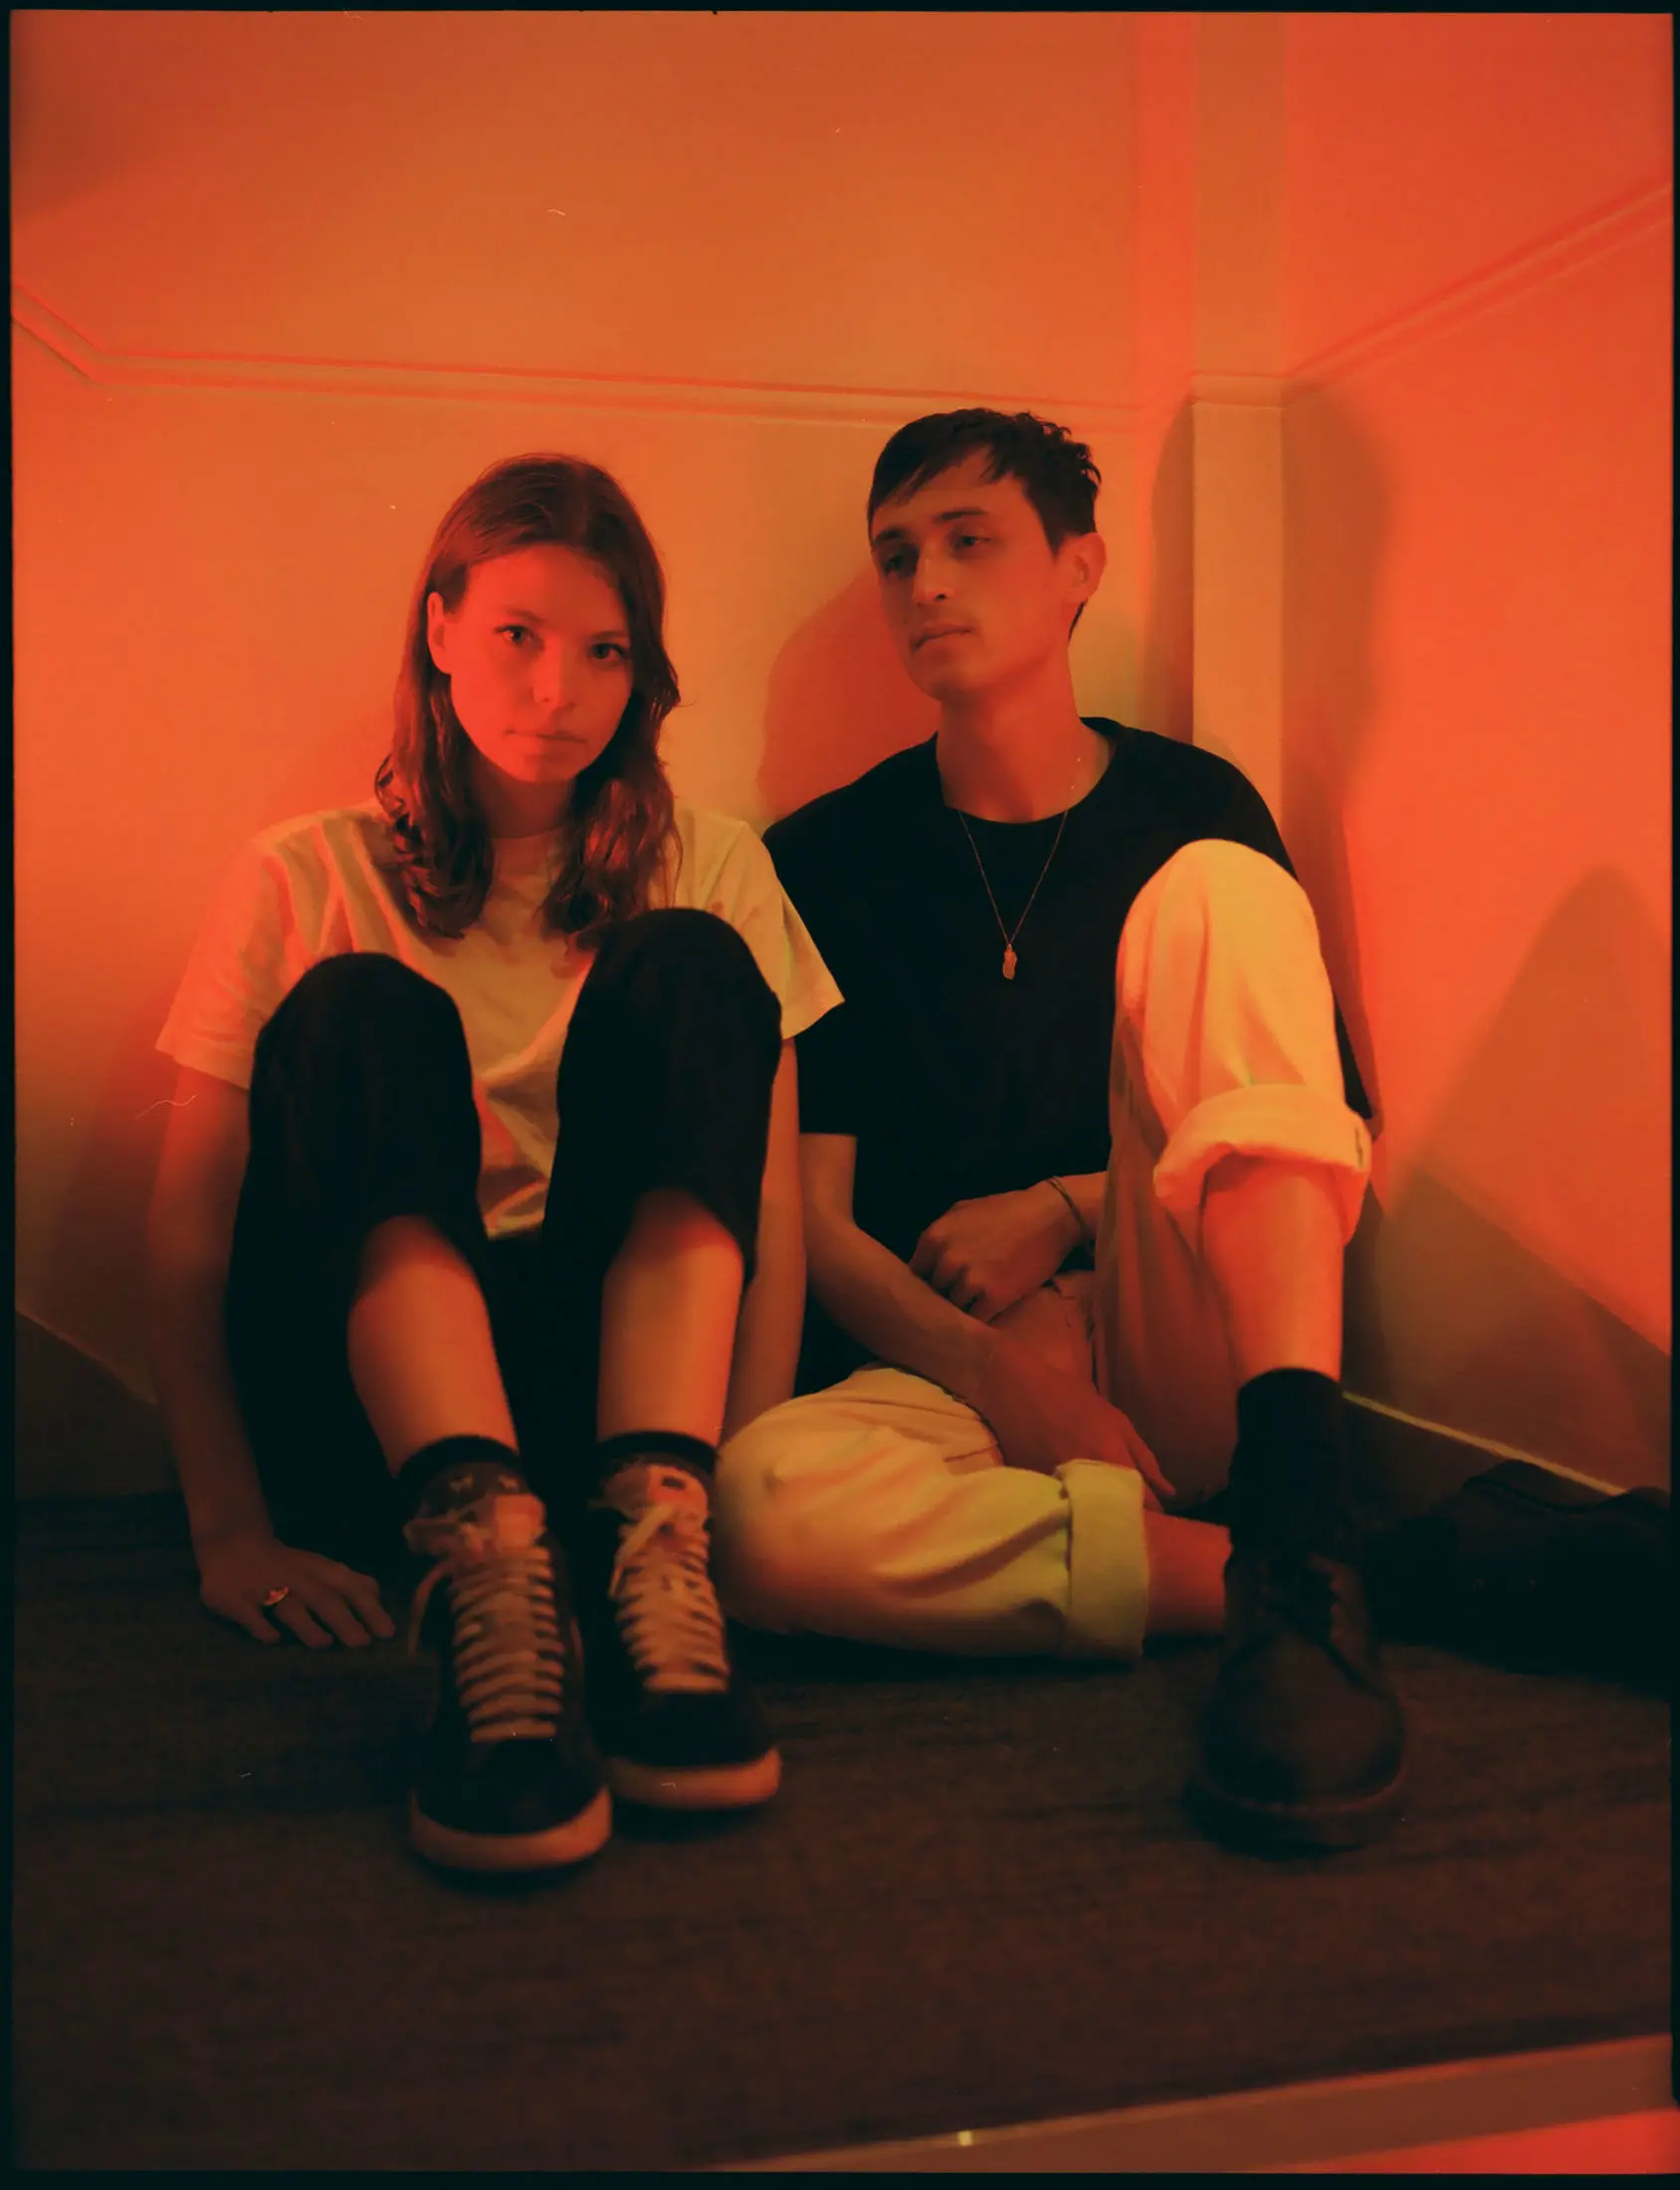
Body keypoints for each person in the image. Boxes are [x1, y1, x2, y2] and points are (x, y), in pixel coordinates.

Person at [710, 407, 1668, 1861]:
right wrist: (1004, 1379)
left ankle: (1290, 1503)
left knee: (1217, 889)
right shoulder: (824, 857)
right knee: (762, 1514)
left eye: (969, 541)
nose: (926, 584)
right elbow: (818, 1223)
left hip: (1186, 1323)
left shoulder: (1191, 803)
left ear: (1078, 567)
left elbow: (1322, 1126)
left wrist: (1068, 1208)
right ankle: (1334, 1569)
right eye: (897, 556)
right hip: (952, 1368)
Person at [145, 452, 842, 1875]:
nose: (556, 689)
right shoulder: (303, 873)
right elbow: (189, 1234)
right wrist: (229, 1534)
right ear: (441, 629)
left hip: (615, 1430)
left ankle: (652, 1561)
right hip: (376, 1436)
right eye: (518, 634)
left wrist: (724, 1512)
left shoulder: (715, 866)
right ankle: (488, 1581)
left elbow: (762, 1207)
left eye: (604, 652)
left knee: (690, 963)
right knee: (362, 1007)